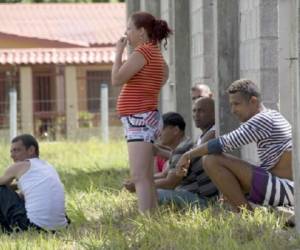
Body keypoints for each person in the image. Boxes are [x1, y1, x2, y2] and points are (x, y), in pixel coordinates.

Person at [176, 79, 293, 212]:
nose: (233, 110)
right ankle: (245, 214)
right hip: (281, 186)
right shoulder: (271, 116)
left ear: (253, 101)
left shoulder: (263, 119)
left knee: (211, 160)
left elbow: (223, 143)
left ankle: (246, 216)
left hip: (288, 189)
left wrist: (187, 155)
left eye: (237, 104)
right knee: (229, 183)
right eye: (231, 105)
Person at [111, 11, 172, 213]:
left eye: (129, 28)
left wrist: (119, 52)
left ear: (142, 31)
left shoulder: (143, 52)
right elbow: (162, 77)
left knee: (139, 176)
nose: (126, 33)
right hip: (144, 117)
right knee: (146, 175)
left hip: (139, 118)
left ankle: (146, 219)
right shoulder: (156, 55)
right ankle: (152, 217)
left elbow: (117, 79)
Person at [0, 134, 68, 233]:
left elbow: (3, 186)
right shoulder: (47, 166)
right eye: (11, 151)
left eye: (16, 150)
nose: (12, 155)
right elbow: (28, 193)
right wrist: (16, 187)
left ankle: (7, 229)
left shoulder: (20, 165)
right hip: (60, 227)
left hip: (31, 227)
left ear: (31, 150)